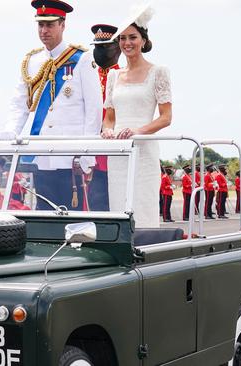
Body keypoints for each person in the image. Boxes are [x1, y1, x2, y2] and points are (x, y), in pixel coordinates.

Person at [2, 0, 102, 211]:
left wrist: (87, 152)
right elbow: (19, 102)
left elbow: (94, 109)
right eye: (40, 25)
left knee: (72, 215)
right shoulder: (32, 61)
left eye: (50, 25)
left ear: (62, 25)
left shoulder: (81, 58)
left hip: (70, 156)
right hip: (41, 153)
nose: (44, 30)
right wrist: (10, 132)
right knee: (44, 212)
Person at [99, 4, 172, 227]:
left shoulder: (158, 72)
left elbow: (166, 117)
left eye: (132, 37)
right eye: (122, 38)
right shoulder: (113, 76)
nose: (127, 43)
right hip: (118, 151)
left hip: (144, 148)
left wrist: (137, 132)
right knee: (119, 205)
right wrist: (108, 130)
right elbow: (109, 117)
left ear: (143, 40)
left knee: (143, 203)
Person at [88, 23, 121, 211]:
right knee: (94, 202)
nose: (99, 51)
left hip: (112, 148)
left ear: (117, 48)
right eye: (97, 47)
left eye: (105, 46)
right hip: (91, 146)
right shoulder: (89, 76)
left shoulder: (122, 77)